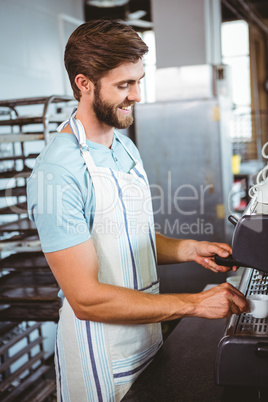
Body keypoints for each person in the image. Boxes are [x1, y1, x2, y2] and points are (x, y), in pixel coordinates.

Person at [27, 19, 248, 402]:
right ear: (84, 83)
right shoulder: (57, 173)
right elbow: (86, 298)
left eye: (139, 81)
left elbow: (123, 237)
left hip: (148, 338)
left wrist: (188, 249)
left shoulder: (124, 148)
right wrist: (195, 303)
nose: (138, 96)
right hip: (101, 358)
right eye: (124, 85)